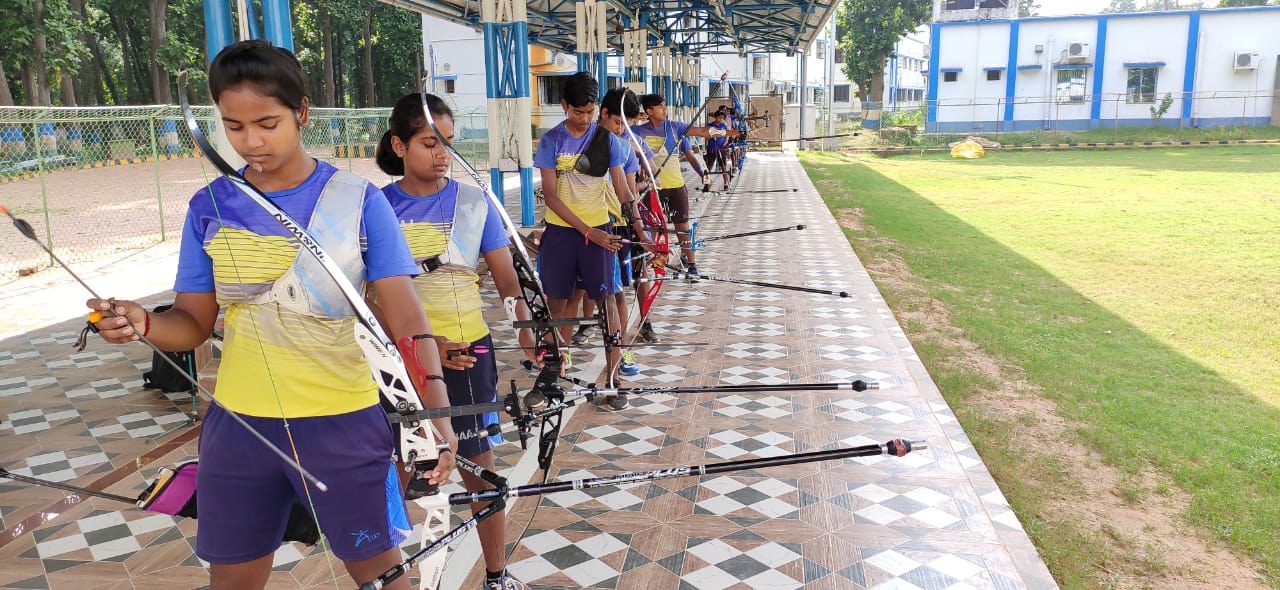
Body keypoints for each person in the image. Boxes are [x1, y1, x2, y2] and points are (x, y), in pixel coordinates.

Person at [86, 40, 457, 590]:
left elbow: (406, 318)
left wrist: (437, 416)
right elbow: (190, 323)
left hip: (345, 421)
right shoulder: (209, 205)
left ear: (301, 112)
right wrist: (141, 323)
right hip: (238, 426)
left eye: (267, 122)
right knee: (232, 580)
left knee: (381, 574)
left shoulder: (358, 200)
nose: (251, 142)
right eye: (233, 126)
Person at [375, 93, 535, 590]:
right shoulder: (375, 207)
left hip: (468, 356)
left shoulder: (474, 201)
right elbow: (366, 296)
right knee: (395, 470)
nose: (442, 153)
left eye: (447, 142)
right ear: (399, 145)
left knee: (478, 470)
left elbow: (509, 284)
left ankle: (495, 574)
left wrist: (533, 337)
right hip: (396, 357)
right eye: (428, 143)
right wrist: (419, 345)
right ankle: (388, 573)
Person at [534, 72, 641, 409]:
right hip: (563, 234)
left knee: (608, 302)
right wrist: (586, 231)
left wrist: (641, 229)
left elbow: (623, 189)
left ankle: (612, 378)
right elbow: (551, 197)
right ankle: (553, 371)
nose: (583, 119)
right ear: (564, 105)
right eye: (577, 112)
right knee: (559, 304)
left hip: (599, 232)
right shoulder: (551, 141)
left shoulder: (607, 140)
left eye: (590, 112)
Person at [632, 93, 735, 282]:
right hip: (651, 189)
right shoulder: (636, 133)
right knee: (654, 228)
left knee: (682, 227)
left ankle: (692, 265)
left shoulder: (675, 127)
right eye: (660, 107)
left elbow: (703, 132)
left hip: (676, 186)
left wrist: (728, 133)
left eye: (665, 106)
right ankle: (657, 264)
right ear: (649, 111)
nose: (665, 109)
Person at [704, 109, 731, 191]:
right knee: (709, 166)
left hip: (721, 148)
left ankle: (726, 183)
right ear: (715, 117)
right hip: (712, 148)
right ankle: (706, 184)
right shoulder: (710, 126)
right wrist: (712, 136)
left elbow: (727, 135)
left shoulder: (723, 126)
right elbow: (706, 136)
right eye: (719, 117)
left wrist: (725, 142)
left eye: (722, 117)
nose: (720, 119)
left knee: (723, 166)